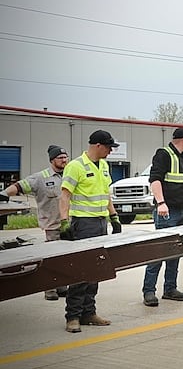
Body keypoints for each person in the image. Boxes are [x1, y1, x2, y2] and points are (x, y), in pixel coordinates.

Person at [59, 130, 122, 333]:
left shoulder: (103, 166)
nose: (111, 151)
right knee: (81, 270)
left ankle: (89, 313)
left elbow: (106, 194)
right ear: (97, 145)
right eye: (108, 147)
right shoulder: (75, 166)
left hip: (101, 223)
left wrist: (114, 217)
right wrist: (64, 222)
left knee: (96, 270)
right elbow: (65, 196)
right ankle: (73, 317)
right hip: (83, 224)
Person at [0, 145, 70, 300]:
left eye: (66, 157)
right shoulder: (40, 177)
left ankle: (62, 286)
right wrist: (4, 194)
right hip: (52, 225)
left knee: (66, 258)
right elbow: (20, 186)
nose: (64, 160)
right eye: (60, 157)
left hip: (70, 225)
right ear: (52, 160)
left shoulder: (70, 175)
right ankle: (49, 289)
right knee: (52, 259)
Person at [142, 127, 183, 307]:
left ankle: (170, 289)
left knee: (175, 252)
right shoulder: (164, 154)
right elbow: (155, 180)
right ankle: (149, 291)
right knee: (159, 252)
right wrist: (161, 203)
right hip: (168, 212)